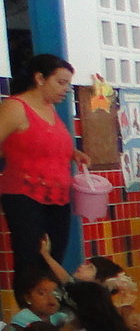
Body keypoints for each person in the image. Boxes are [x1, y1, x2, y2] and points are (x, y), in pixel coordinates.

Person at [0, 54, 80, 295]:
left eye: (68, 84)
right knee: (30, 262)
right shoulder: (16, 107)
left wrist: (73, 153)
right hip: (25, 195)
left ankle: (51, 315)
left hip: (58, 197)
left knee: (53, 260)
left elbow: (42, 142)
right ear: (40, 79)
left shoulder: (49, 108)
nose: (66, 90)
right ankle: (30, 322)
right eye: (61, 82)